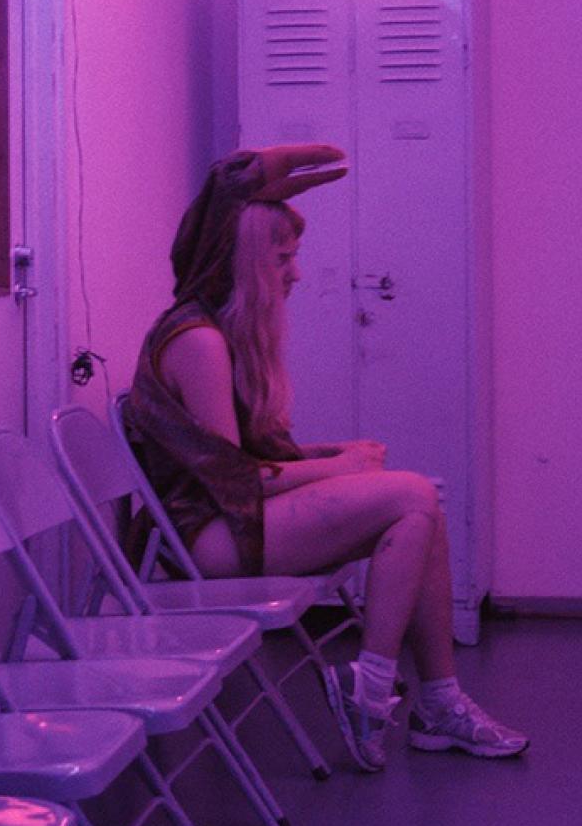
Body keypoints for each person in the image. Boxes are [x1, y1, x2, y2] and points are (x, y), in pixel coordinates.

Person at [123, 144, 526, 771]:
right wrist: (337, 467)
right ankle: (373, 689)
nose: (297, 274)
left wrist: (323, 454)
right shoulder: (198, 343)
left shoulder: (215, 331)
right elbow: (235, 484)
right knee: (410, 493)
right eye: (283, 258)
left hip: (226, 522)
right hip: (202, 542)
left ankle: (433, 703)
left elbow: (236, 460)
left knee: (423, 506)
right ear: (248, 263)